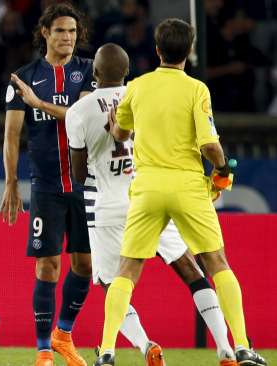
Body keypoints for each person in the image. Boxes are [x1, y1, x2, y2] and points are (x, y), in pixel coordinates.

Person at [94, 19, 267, 366]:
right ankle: (243, 347)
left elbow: (121, 134)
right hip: (187, 186)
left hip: (146, 188)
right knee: (216, 263)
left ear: (156, 50)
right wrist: (222, 172)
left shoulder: (137, 88)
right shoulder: (196, 90)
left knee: (127, 270)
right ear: (189, 51)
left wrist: (113, 122)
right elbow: (210, 145)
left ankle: (108, 351)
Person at [67, 43, 237, 366]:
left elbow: (78, 174)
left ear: (95, 73)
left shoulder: (79, 111)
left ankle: (140, 346)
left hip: (108, 205)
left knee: (112, 281)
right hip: (148, 195)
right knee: (190, 268)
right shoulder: (141, 92)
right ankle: (225, 347)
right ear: (127, 71)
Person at [0, 3, 94, 366]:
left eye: (72, 31)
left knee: (84, 265)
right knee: (47, 266)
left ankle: (63, 334)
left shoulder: (88, 72)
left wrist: (39, 103)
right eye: (60, 31)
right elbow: (11, 137)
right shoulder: (24, 77)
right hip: (46, 187)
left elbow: (83, 117)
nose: (67, 38)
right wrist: (11, 182)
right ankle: (42, 351)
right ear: (45, 33)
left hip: (85, 186)